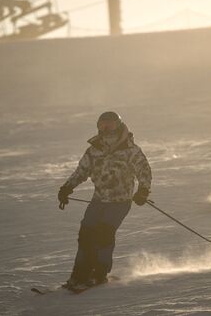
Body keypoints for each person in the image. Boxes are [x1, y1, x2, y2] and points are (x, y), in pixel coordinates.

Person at [57, 112, 152, 291]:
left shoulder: (129, 149)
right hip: (99, 200)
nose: (106, 129)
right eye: (103, 126)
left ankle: (98, 273)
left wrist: (143, 190)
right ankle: (79, 274)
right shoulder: (94, 149)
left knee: (104, 233)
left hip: (120, 201)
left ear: (118, 126)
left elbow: (143, 169)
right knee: (85, 234)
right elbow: (82, 171)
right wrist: (67, 188)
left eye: (110, 125)